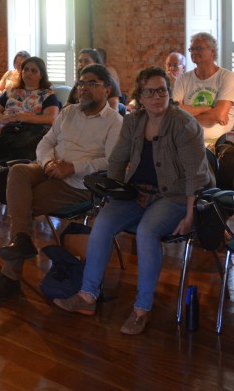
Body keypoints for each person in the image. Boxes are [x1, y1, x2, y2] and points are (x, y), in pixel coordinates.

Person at [54, 67, 212, 334]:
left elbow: (196, 175)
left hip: (173, 196)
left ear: (168, 93)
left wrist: (189, 215)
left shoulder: (184, 124)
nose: (156, 96)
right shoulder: (133, 121)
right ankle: (87, 295)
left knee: (147, 232)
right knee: (102, 223)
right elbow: (117, 161)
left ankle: (141, 309)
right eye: (149, 91)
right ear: (140, 95)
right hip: (137, 191)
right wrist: (109, 194)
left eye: (161, 90)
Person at [0, 64, 123, 303]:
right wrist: (48, 164)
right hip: (50, 166)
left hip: (79, 182)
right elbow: (45, 143)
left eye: (92, 84)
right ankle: (23, 241)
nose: (84, 88)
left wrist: (72, 167)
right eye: (81, 83)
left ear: (107, 89)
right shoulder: (69, 112)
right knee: (17, 171)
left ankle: (10, 277)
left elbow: (110, 162)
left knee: (22, 206)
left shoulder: (115, 121)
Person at [0, 57, 61, 214]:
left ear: (41, 74)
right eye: (25, 69)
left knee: (11, 166)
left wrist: (23, 117)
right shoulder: (12, 91)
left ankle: (18, 206)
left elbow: (51, 118)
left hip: (27, 140)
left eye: (33, 70)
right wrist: (2, 118)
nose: (28, 73)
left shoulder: (48, 94)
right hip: (2, 136)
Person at [173, 32, 234, 144]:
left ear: (212, 51)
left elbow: (219, 115)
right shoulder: (182, 79)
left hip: (218, 146)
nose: (194, 52)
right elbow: (174, 112)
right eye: (191, 49)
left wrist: (184, 119)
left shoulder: (228, 77)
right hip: (186, 141)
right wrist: (207, 109)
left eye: (199, 48)